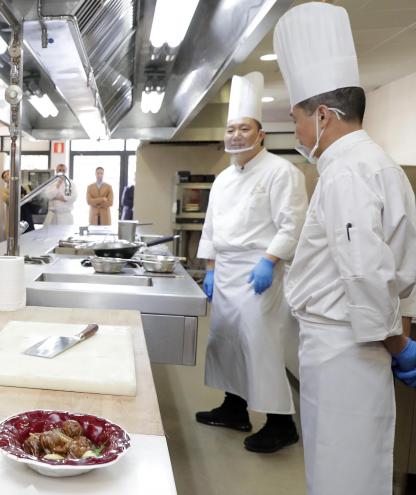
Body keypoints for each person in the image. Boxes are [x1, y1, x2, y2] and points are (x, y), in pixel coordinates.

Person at [275, 4, 416, 493]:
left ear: (322, 115)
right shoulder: (373, 163)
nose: (295, 132)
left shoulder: (346, 172)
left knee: (343, 471)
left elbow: (366, 271)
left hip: (346, 347)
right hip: (351, 342)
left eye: (295, 119)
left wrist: (397, 342)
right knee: (348, 464)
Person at [195, 71, 308, 454]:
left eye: (244, 128)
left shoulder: (282, 172)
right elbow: (210, 228)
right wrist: (209, 271)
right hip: (225, 271)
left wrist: (268, 260)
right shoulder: (224, 178)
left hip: (261, 272)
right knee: (226, 340)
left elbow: (293, 224)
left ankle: (281, 424)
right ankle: (234, 408)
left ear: (261, 134)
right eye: (230, 129)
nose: (235, 135)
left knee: (259, 345)